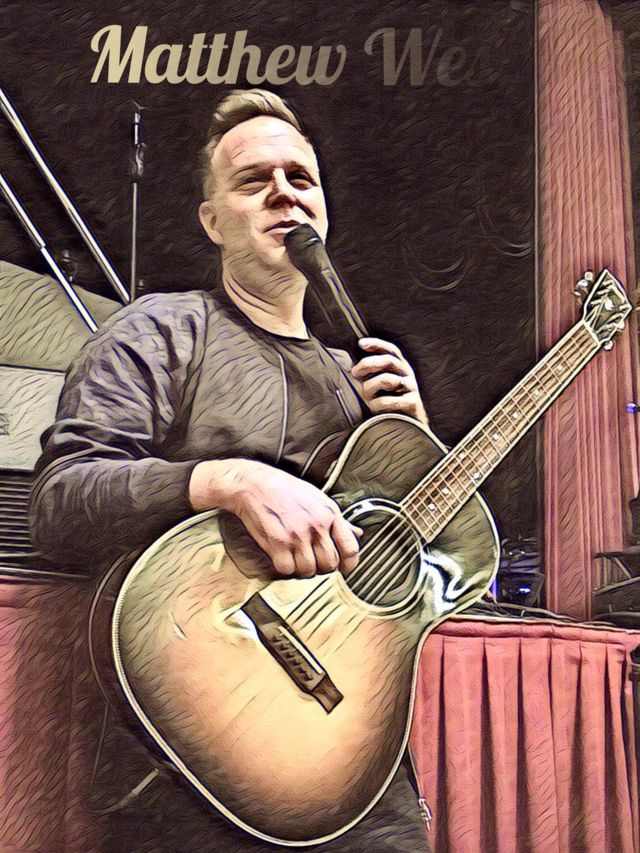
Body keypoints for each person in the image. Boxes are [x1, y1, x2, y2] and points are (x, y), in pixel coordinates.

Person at [30, 89, 432, 852]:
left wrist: (412, 446)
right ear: (213, 221)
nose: (284, 191)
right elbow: (60, 501)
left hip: (358, 766)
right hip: (193, 766)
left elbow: (410, 576)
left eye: (300, 178)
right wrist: (227, 480)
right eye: (253, 180)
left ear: (323, 210)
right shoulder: (161, 331)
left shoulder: (357, 384)